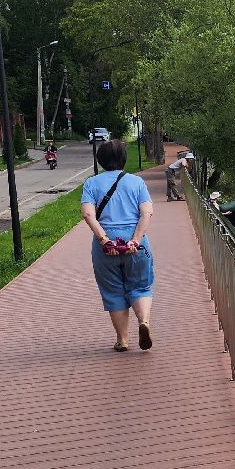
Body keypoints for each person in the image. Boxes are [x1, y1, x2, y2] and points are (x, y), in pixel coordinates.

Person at [80, 139, 155, 352]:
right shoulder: (136, 182)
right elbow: (147, 212)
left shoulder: (91, 184)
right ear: (124, 159)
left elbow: (87, 214)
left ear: (101, 160)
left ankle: (122, 340)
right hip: (135, 244)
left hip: (106, 246)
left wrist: (104, 239)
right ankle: (144, 323)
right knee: (140, 286)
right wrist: (136, 239)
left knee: (113, 291)